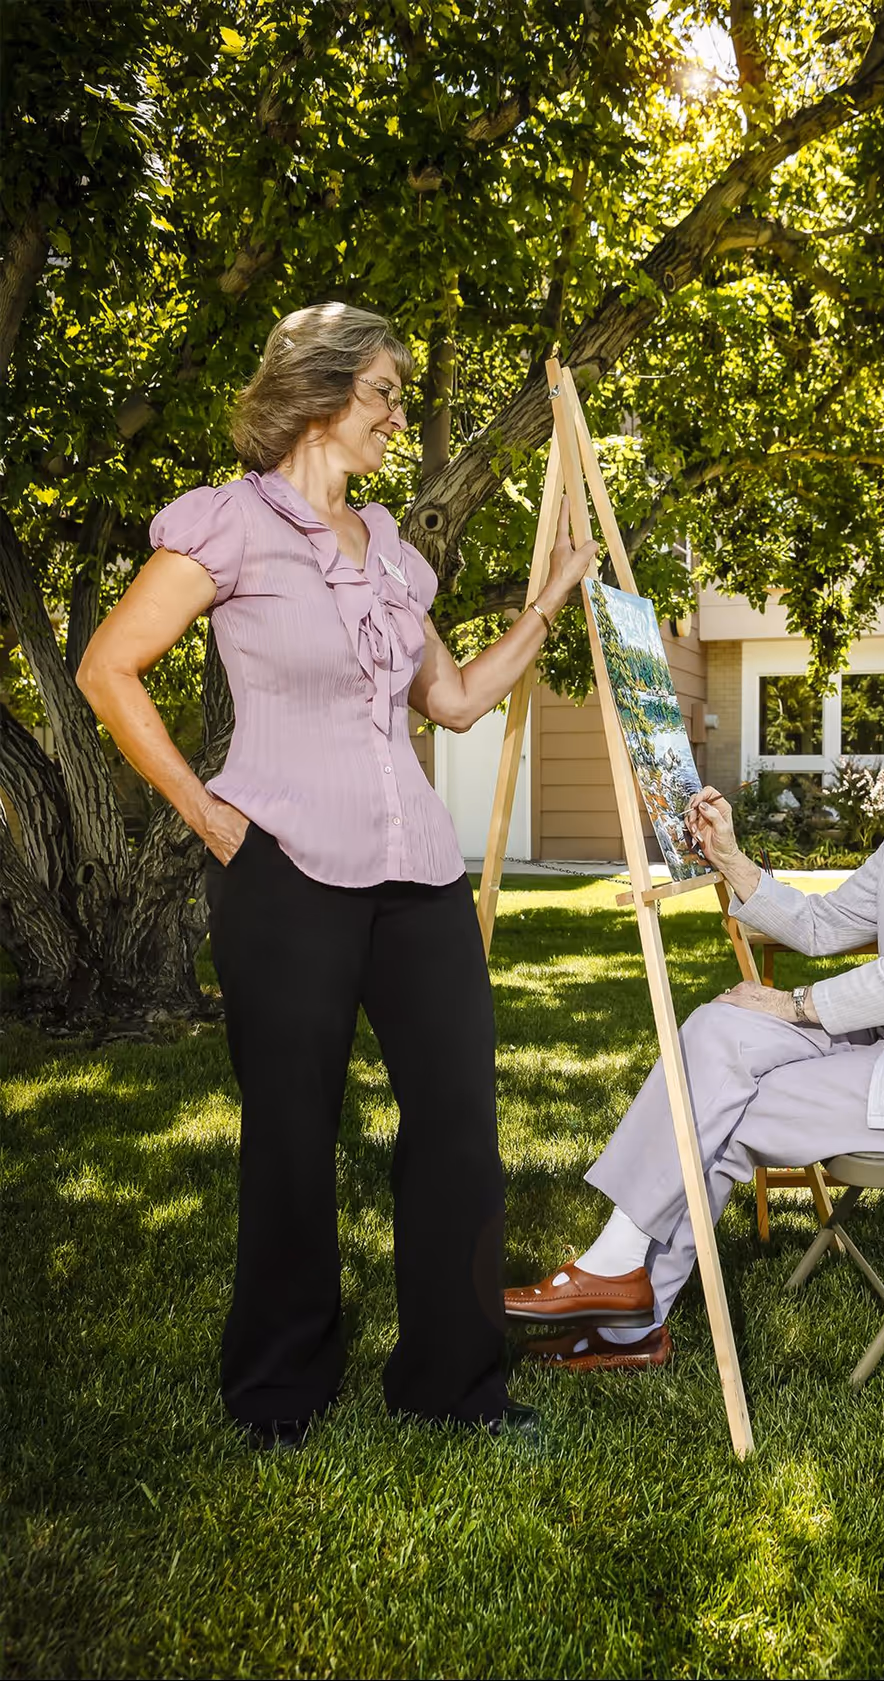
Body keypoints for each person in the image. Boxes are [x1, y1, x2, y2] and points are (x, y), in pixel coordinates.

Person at [77, 301, 597, 1444]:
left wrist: (546, 605)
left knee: (460, 1121)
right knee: (292, 1130)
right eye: (384, 394)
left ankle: (455, 1382)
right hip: (283, 871)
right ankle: (279, 1387)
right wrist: (206, 812)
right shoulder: (225, 527)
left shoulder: (396, 551)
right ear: (317, 397)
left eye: (401, 395)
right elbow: (109, 668)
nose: (398, 416)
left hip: (417, 874)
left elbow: (452, 704)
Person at [505, 604, 884, 1371]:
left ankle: (627, 1313)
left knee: (723, 1106)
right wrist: (732, 859)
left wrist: (795, 1004)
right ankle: (617, 1281)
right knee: (718, 1031)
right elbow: (823, 924)